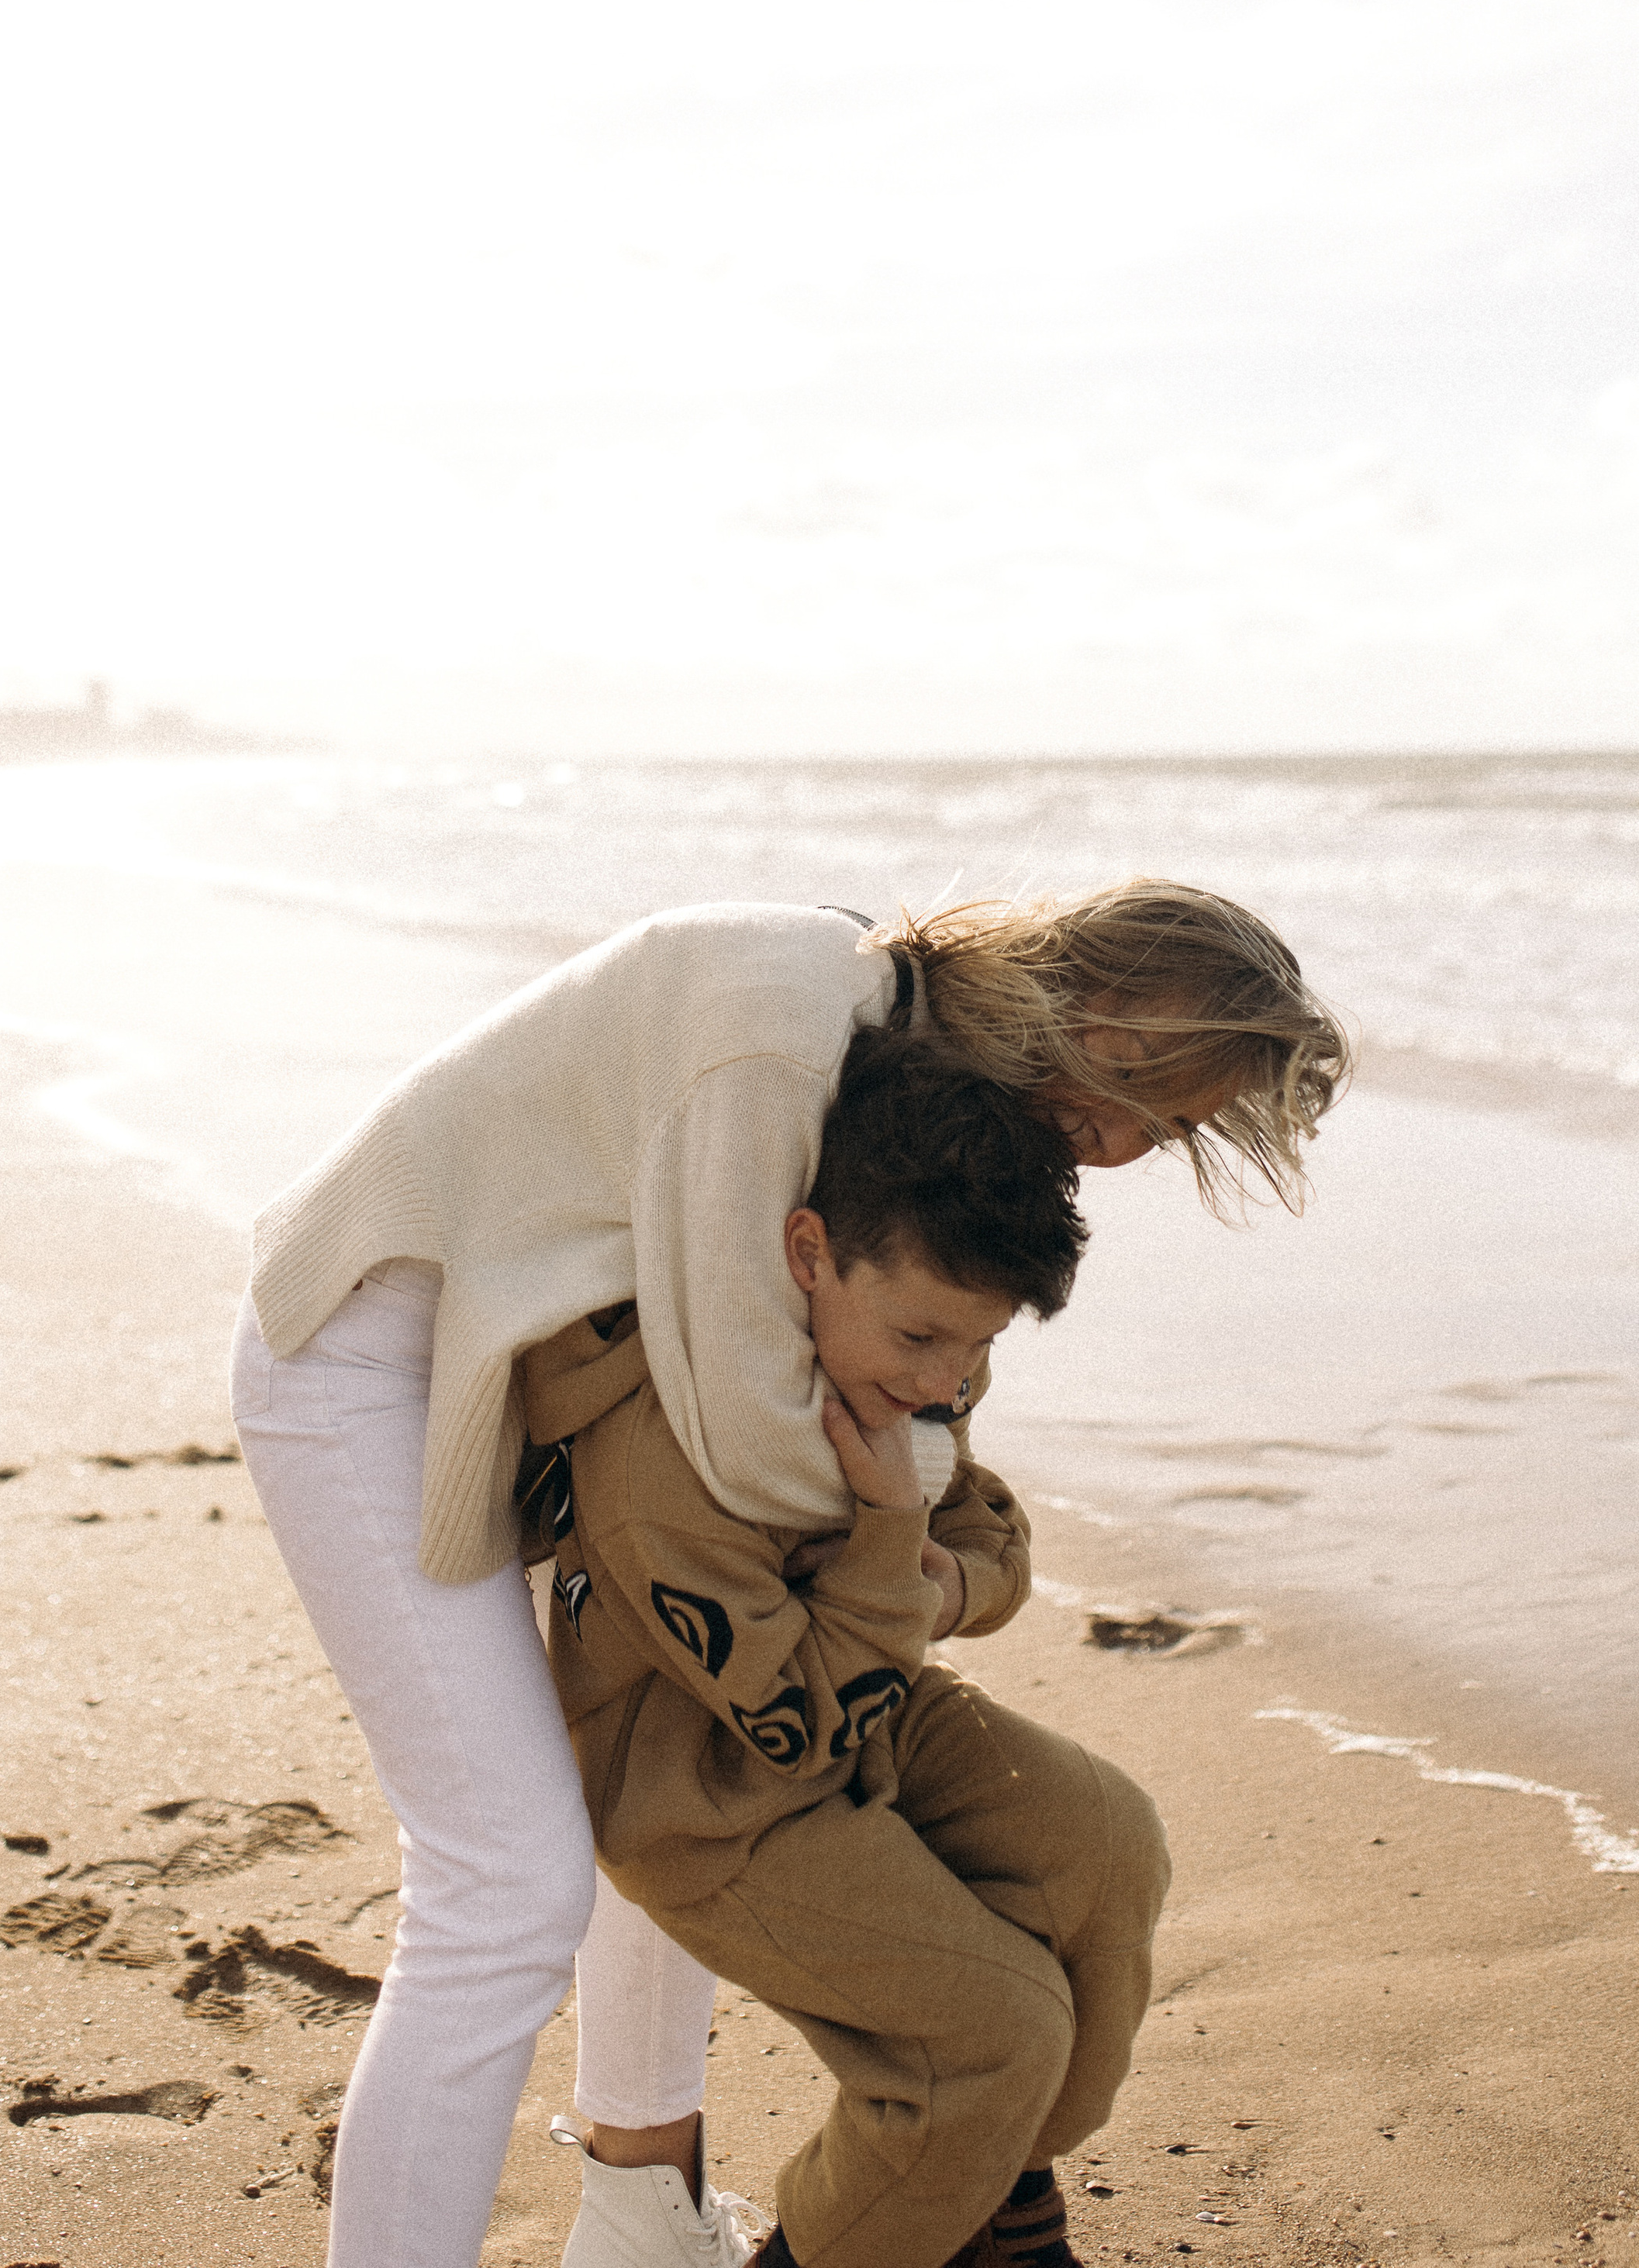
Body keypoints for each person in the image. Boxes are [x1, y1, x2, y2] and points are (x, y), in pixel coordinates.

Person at [229, 884, 1347, 2268]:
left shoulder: (891, 1067)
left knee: (676, 1737)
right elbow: (755, 1434)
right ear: (1102, 1013)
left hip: (535, 1368)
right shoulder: (786, 1022)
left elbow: (844, 1405)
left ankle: (642, 2222)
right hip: (371, 1354)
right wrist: (915, 1529)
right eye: (1148, 1100)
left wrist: (917, 1523)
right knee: (505, 1886)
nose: (1121, 1153)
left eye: (1166, 1136)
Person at [526, 1026, 1164, 2268]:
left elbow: (984, 1528)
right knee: (993, 2036)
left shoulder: (896, 1361)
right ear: (809, 1251)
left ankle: (996, 2209)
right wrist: (886, 1539)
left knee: (1105, 1844)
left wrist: (938, 1580)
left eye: (981, 1347)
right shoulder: (671, 1455)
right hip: (703, 1786)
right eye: (927, 1340)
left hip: (871, 1699)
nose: (947, 1382)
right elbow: (800, 1717)